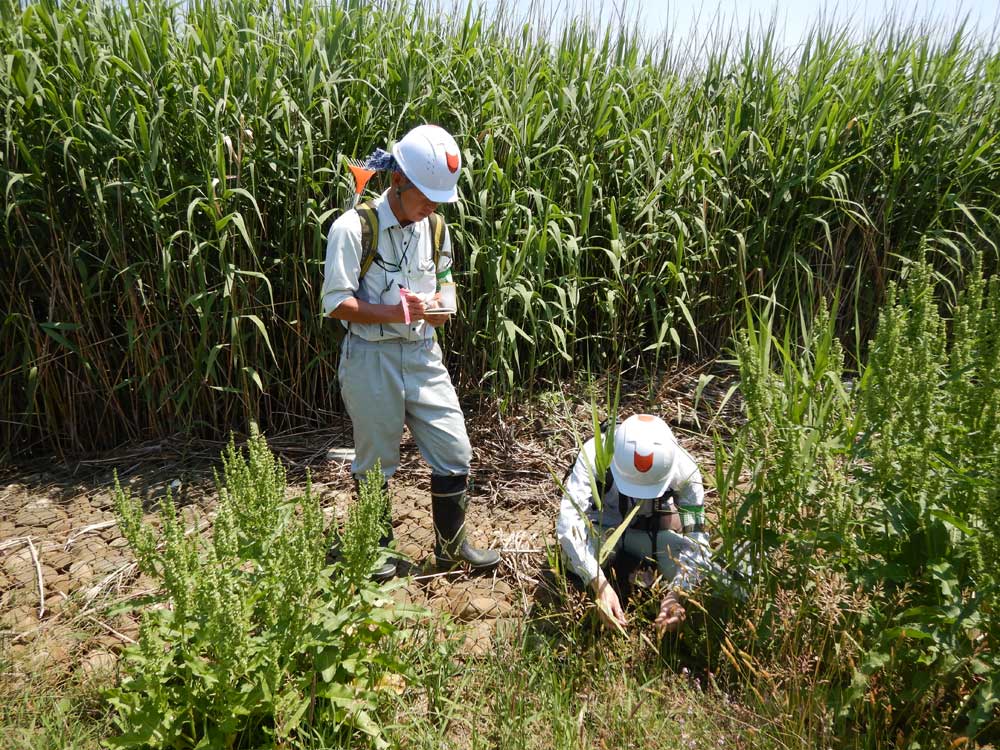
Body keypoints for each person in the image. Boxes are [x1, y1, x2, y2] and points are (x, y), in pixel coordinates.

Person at [321, 124, 500, 579]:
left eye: (440, 198)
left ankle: (452, 547)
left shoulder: (435, 226)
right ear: (397, 180)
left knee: (454, 448)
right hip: (370, 358)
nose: (434, 206)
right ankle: (377, 552)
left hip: (423, 354)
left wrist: (446, 304)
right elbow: (335, 303)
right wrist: (394, 314)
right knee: (376, 459)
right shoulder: (353, 228)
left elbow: (444, 279)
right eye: (427, 196)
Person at [556, 413, 719, 636]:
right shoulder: (594, 454)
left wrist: (677, 594)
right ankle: (630, 576)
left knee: (705, 574)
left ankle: (635, 575)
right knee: (567, 555)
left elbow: (698, 541)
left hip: (650, 534)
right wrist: (598, 584)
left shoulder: (686, 470)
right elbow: (568, 525)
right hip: (602, 531)